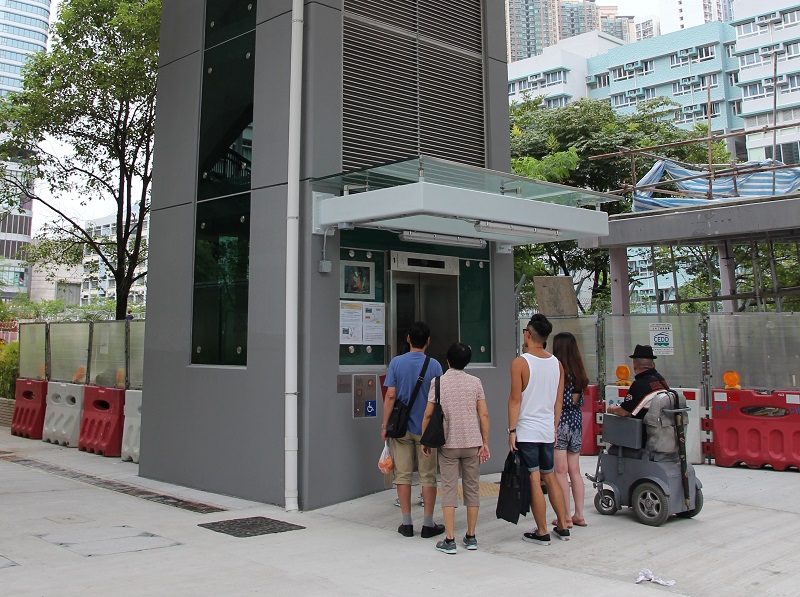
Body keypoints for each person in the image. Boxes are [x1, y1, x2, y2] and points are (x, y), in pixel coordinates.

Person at [421, 343, 490, 555]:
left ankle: (449, 539)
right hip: (472, 443)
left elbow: (428, 414)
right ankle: (471, 536)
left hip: (448, 444)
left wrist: (426, 440)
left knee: (449, 489)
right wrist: (484, 442)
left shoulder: (438, 382)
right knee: (472, 489)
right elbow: (484, 415)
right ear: (467, 362)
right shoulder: (475, 382)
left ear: (448, 361)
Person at [508, 314, 570, 546]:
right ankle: (562, 525)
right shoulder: (557, 363)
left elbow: (515, 400)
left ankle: (542, 531)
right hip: (546, 430)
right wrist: (553, 428)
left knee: (534, 478)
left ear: (527, 334)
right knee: (549, 475)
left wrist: (511, 430)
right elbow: (558, 401)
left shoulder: (520, 363)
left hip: (527, 430)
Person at [382, 321, 445, 538]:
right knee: (428, 476)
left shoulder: (396, 363)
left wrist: (385, 425)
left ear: (408, 339)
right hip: (426, 429)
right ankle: (428, 524)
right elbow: (438, 398)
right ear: (428, 341)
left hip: (401, 429)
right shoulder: (435, 365)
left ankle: (407, 523)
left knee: (403, 475)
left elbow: (391, 395)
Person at [551, 332, 590, 528]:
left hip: (560, 422)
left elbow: (557, 401)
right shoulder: (579, 372)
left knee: (560, 471)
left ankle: (564, 516)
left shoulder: (558, 371)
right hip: (576, 420)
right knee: (575, 470)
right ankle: (579, 514)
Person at [607, 344, 667, 419]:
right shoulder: (660, 379)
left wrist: (611, 409)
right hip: (663, 426)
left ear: (634, 365)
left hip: (645, 428)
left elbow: (623, 412)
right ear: (653, 365)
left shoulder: (639, 384)